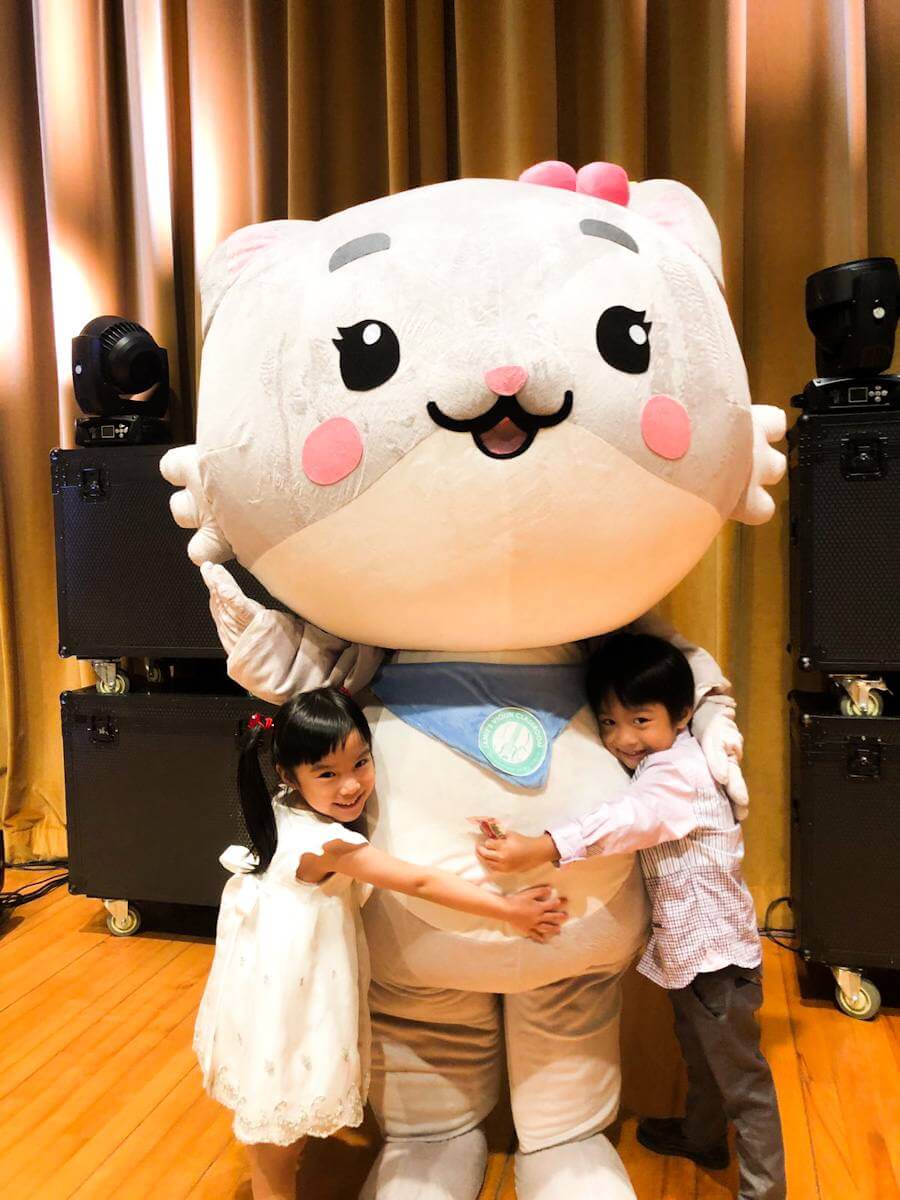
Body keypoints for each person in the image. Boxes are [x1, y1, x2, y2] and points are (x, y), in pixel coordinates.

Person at [194, 686, 567, 1200]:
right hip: (293, 994)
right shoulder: (328, 843)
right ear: (289, 775)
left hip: (269, 978)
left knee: (279, 1124)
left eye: (362, 763)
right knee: (276, 1139)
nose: (351, 786)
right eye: (327, 774)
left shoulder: (287, 808)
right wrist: (510, 910)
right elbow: (418, 881)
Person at [475, 633, 786, 1200]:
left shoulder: (678, 771)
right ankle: (702, 1135)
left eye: (640, 719)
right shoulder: (664, 759)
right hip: (693, 954)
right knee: (700, 1054)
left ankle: (765, 1190)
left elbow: (633, 818)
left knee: (743, 1079)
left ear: (684, 714)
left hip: (717, 957)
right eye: (610, 722)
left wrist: (543, 847)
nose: (624, 738)